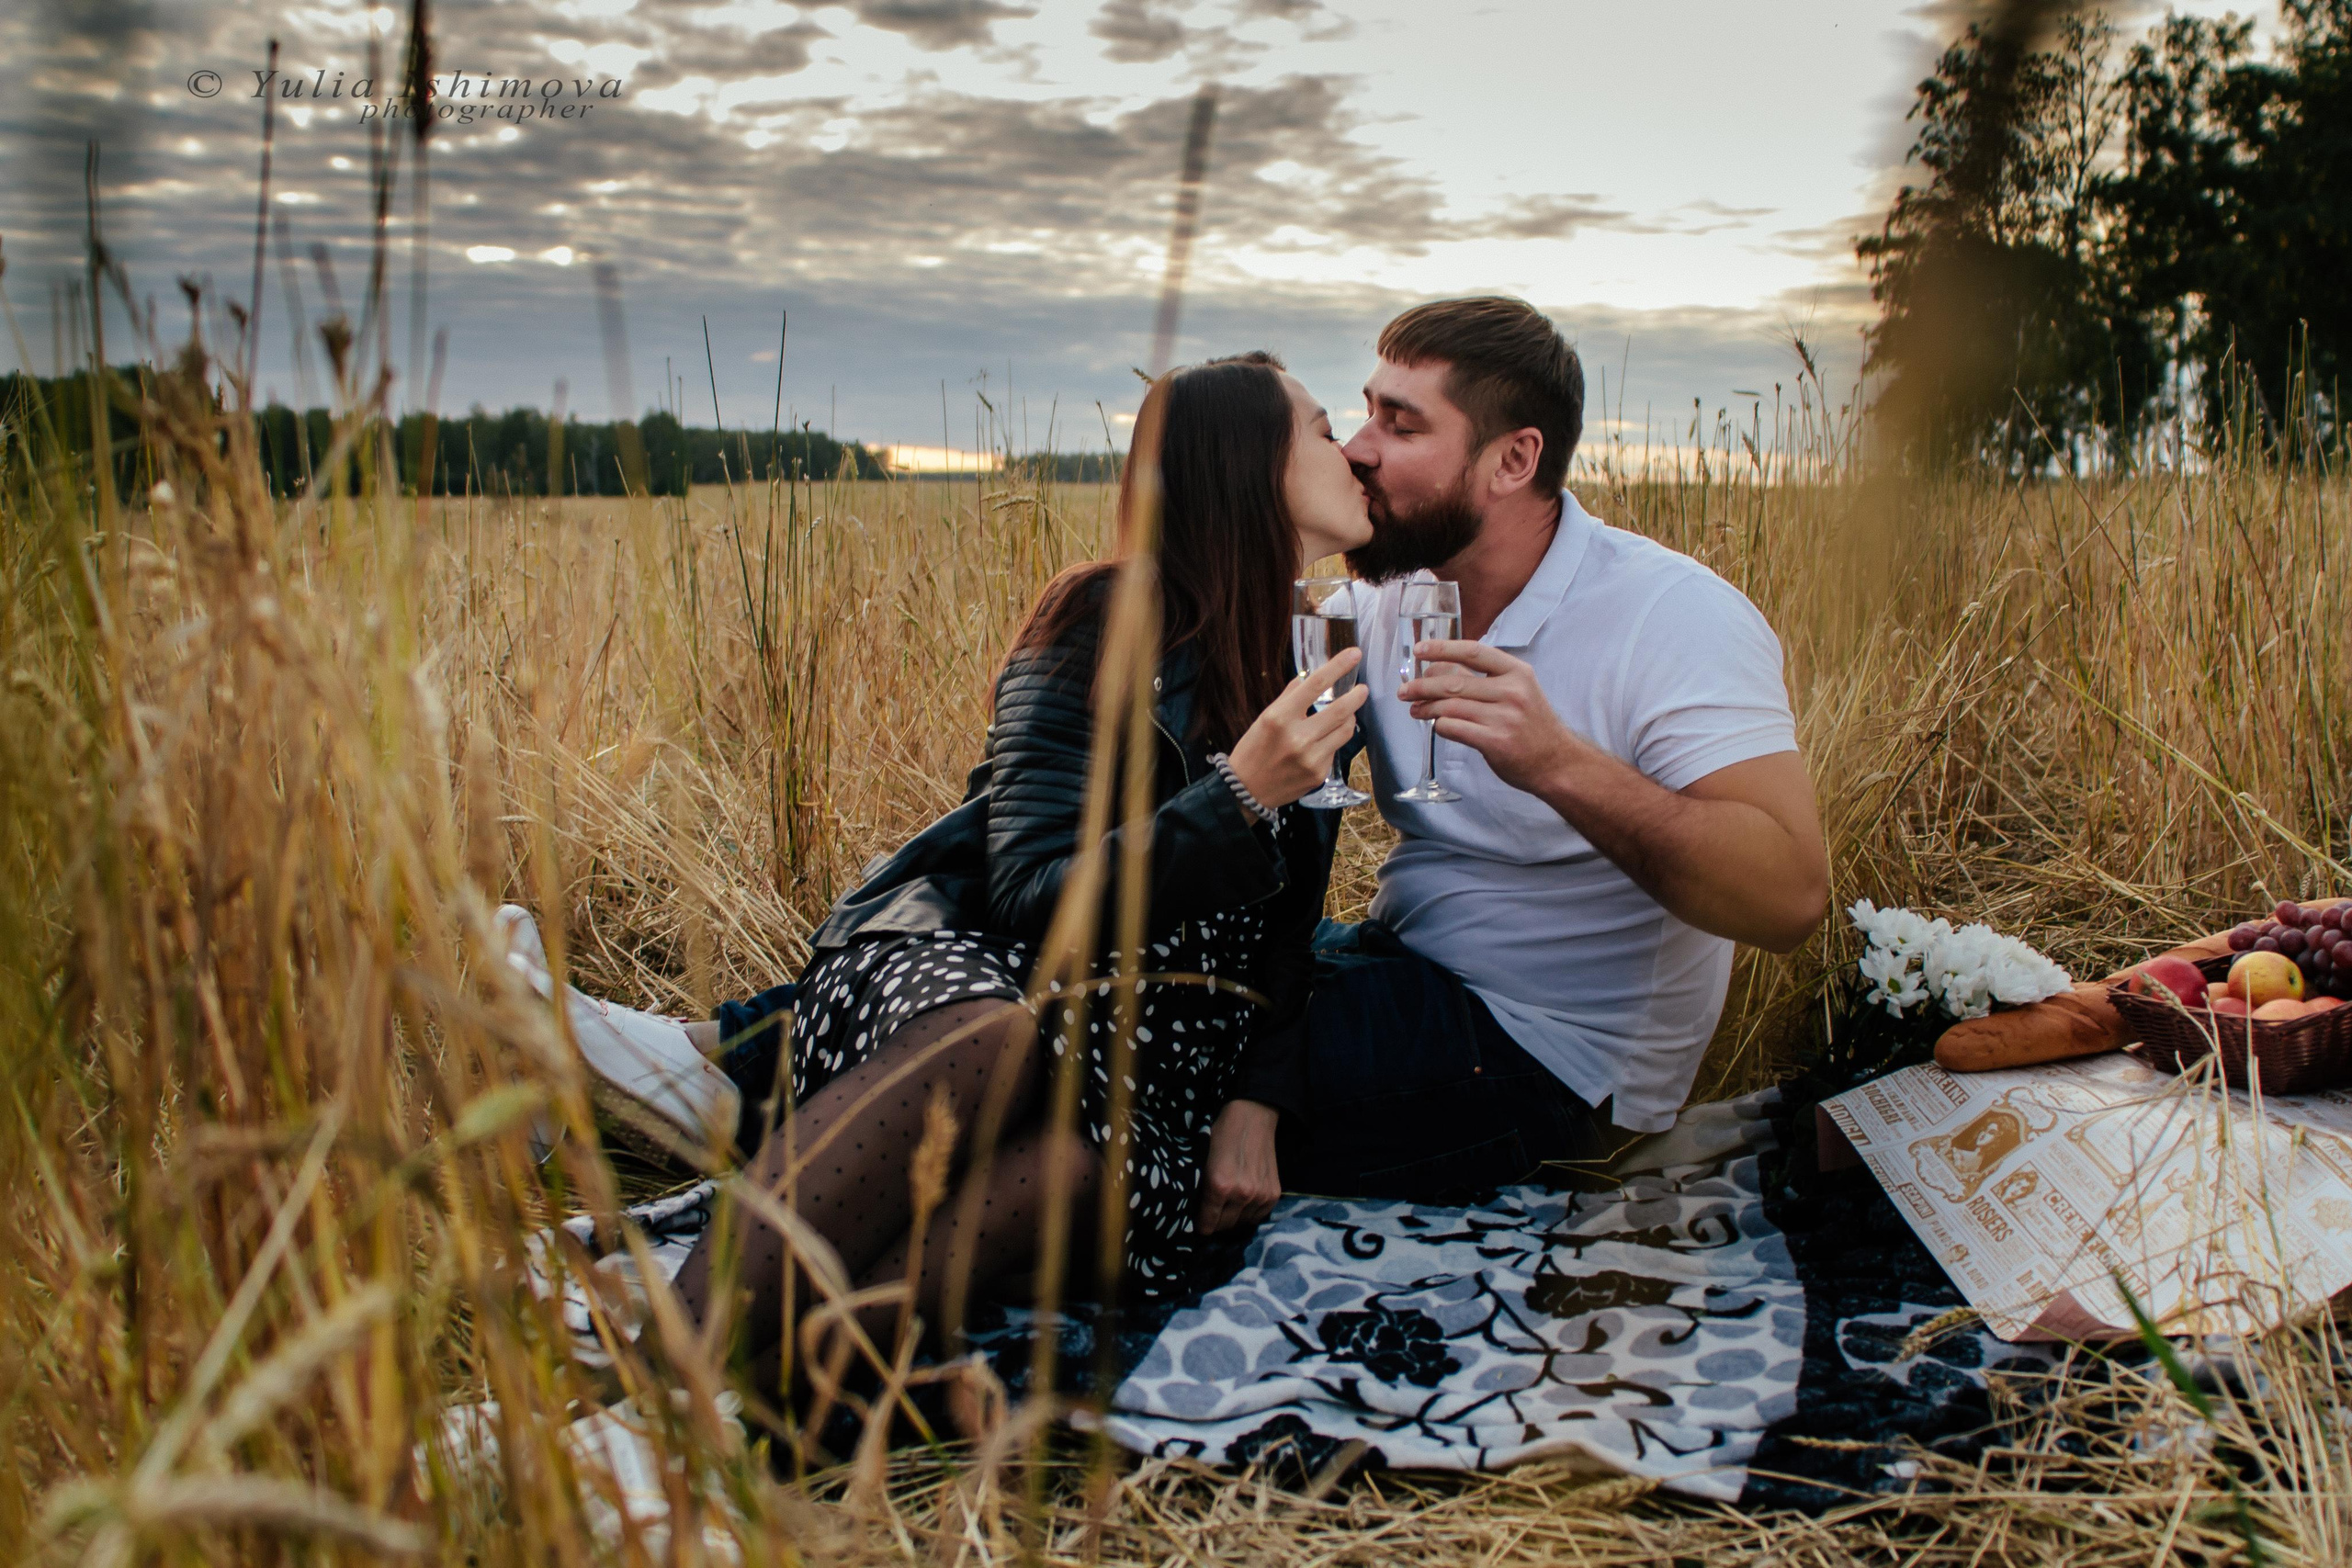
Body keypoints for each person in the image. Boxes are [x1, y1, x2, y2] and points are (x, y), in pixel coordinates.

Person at [526, 351, 1375, 1394]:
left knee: (1076, 1176)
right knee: (994, 1039)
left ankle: (731, 1385)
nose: (1354, 454)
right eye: (1326, 430)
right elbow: (1029, 895)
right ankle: (670, 1383)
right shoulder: (1100, 619)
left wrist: (1257, 1104)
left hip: (1146, 1076)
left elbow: (1288, 933)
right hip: (971, 987)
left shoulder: (1315, 657)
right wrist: (1234, 798)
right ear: (1249, 465)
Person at [1201, 297, 1829, 1210]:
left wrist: (1555, 762)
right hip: (1397, 966)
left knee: (1144, 1076)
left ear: (1513, 459)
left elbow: (1787, 899)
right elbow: (1280, 849)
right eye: (1365, 411)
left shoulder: (1672, 617)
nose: (1358, 448)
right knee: (1127, 999)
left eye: (1400, 422)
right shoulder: (1381, 593)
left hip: (1556, 1056)